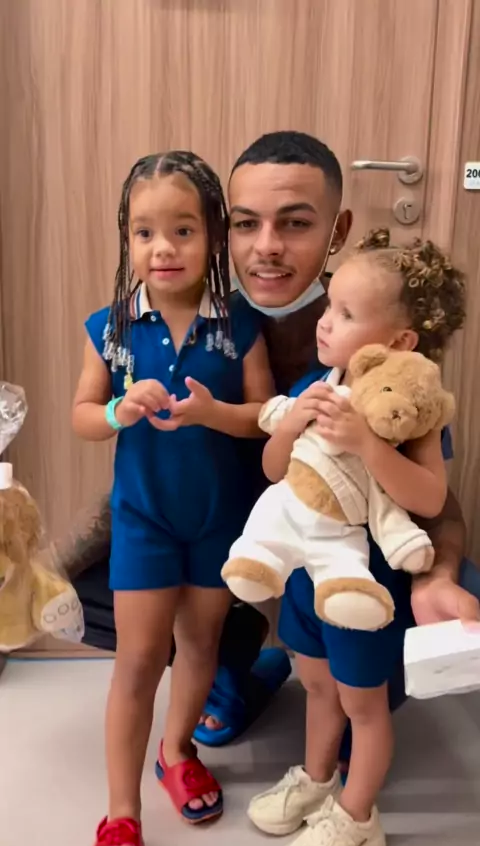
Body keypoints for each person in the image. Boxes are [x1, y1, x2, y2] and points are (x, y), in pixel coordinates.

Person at [68, 130, 480, 742]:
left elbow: (437, 504)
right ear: (221, 231)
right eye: (245, 224)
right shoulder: (205, 321)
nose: (266, 247)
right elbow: (133, 440)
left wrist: (437, 575)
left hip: (344, 546)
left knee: (409, 628)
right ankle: (236, 659)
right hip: (225, 532)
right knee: (97, 588)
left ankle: (346, 685)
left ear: (337, 231)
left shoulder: (375, 332)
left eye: (295, 223)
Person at [72, 151, 275, 846]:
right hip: (145, 521)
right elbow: (81, 415)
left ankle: (177, 752)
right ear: (127, 238)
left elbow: (264, 417)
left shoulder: (239, 323)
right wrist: (119, 410)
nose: (163, 248)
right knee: (137, 660)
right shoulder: (112, 324)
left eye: (183, 230)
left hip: (219, 520)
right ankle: (120, 811)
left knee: (199, 645)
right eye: (144, 232)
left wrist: (214, 413)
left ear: (214, 236)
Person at [247, 226, 465, 846]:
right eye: (329, 306)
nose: (325, 322)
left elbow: (430, 498)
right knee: (316, 686)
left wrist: (368, 444)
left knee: (363, 709)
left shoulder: (410, 407)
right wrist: (289, 424)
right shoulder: (319, 382)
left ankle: (358, 815)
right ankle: (318, 779)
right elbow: (273, 470)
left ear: (399, 342)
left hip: (367, 586)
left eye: (345, 314)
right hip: (307, 576)